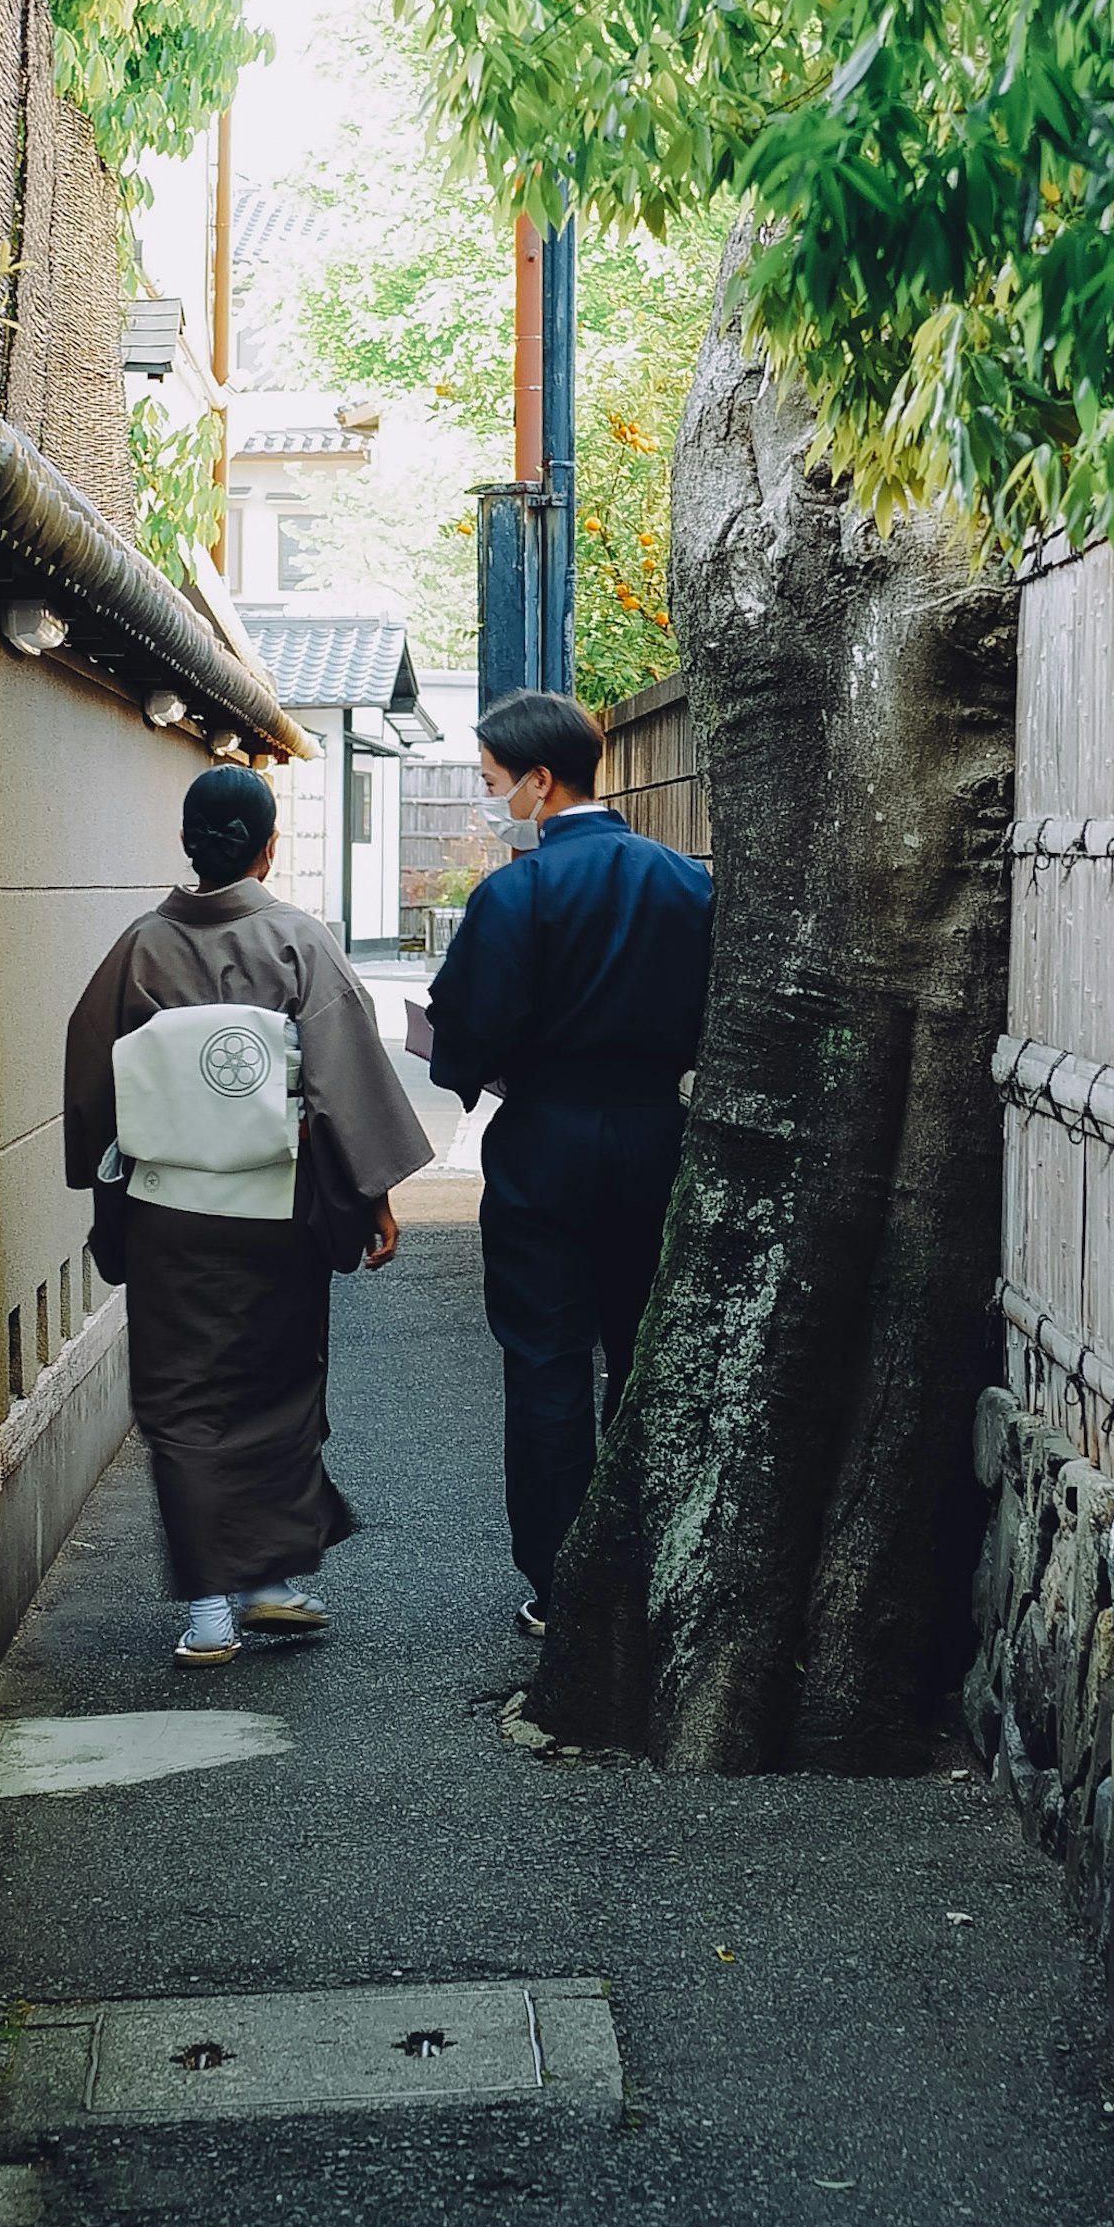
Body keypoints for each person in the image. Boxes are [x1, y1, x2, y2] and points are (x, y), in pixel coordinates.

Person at [65, 758, 436, 1668]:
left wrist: (101, 1185)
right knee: (276, 1383)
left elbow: (89, 1085)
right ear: (271, 848)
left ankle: (208, 1611)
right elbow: (346, 1081)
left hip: (168, 1211)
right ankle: (269, 1580)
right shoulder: (298, 942)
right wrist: (372, 1194)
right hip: (278, 1205)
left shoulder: (139, 946)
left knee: (183, 1397)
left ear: (189, 845)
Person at [422, 687, 716, 1630]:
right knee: (643, 1356)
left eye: (493, 782)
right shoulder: (685, 879)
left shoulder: (514, 894)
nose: (489, 798)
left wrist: (483, 1067)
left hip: (543, 1141)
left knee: (545, 1361)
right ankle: (647, 1567)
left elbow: (464, 1027)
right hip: (655, 1133)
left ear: (541, 782)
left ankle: (561, 1585)